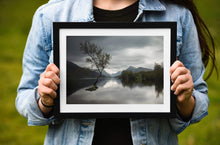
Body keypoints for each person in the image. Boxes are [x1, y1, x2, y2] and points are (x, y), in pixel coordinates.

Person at [16, 0, 217, 145]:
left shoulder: (178, 14)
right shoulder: (50, 15)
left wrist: (184, 100)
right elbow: (25, 95)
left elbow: (199, 99)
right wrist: (45, 101)